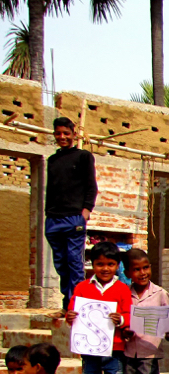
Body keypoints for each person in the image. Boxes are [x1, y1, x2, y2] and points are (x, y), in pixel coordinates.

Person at [67, 242, 131, 374]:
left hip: (115, 350)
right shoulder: (82, 287)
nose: (105, 268)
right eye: (100, 264)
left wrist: (121, 319)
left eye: (110, 264)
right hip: (89, 352)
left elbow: (129, 315)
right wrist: (70, 316)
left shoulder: (122, 289)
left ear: (117, 266)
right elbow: (73, 311)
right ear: (92, 264)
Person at [45, 116, 97, 312]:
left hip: (74, 217)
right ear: (54, 134)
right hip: (53, 219)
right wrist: (48, 213)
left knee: (74, 262)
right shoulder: (52, 160)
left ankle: (76, 307)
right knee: (61, 264)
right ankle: (67, 303)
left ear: (74, 134)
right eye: (58, 133)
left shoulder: (83, 156)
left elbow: (91, 185)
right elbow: (51, 189)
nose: (62, 137)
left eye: (66, 133)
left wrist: (86, 210)